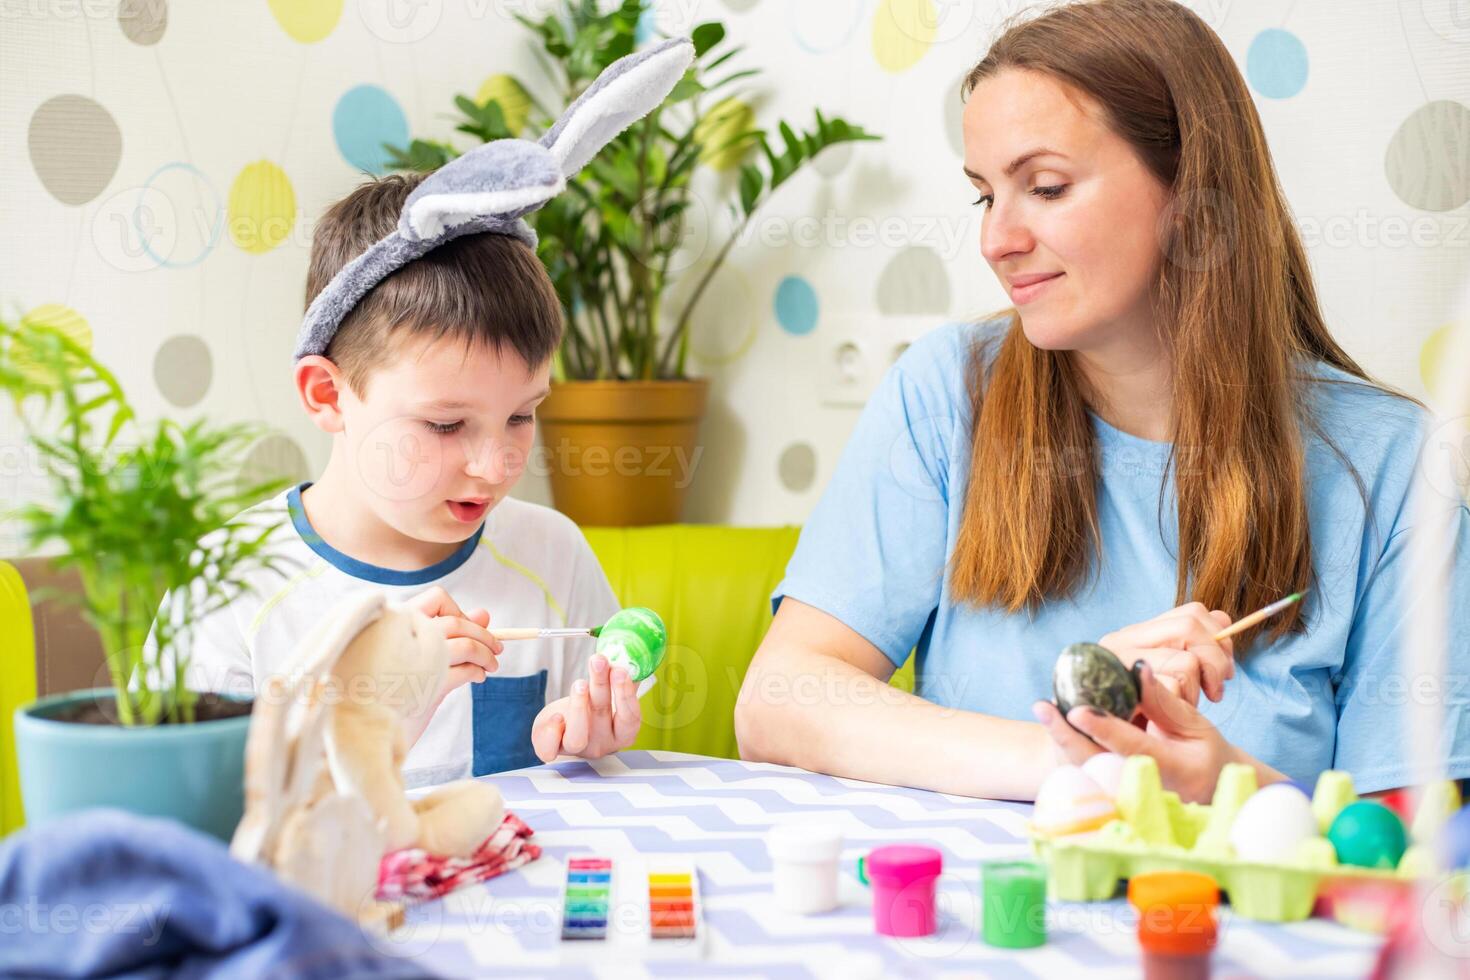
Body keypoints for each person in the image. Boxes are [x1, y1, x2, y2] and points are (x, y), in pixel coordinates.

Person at [735, 0, 1470, 803]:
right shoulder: (947, 392)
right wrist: (1082, 752)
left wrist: (1229, 789)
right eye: (985, 195)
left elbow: (1416, 853)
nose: (996, 240)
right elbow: (780, 702)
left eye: (1045, 188)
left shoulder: (1390, 465)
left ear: (1194, 205)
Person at [163, 172, 643, 786]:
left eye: (522, 414)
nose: (495, 467)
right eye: (445, 425)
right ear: (328, 394)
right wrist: (372, 725)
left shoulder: (553, 555)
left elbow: (585, 781)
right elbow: (193, 830)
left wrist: (590, 745)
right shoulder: (230, 588)